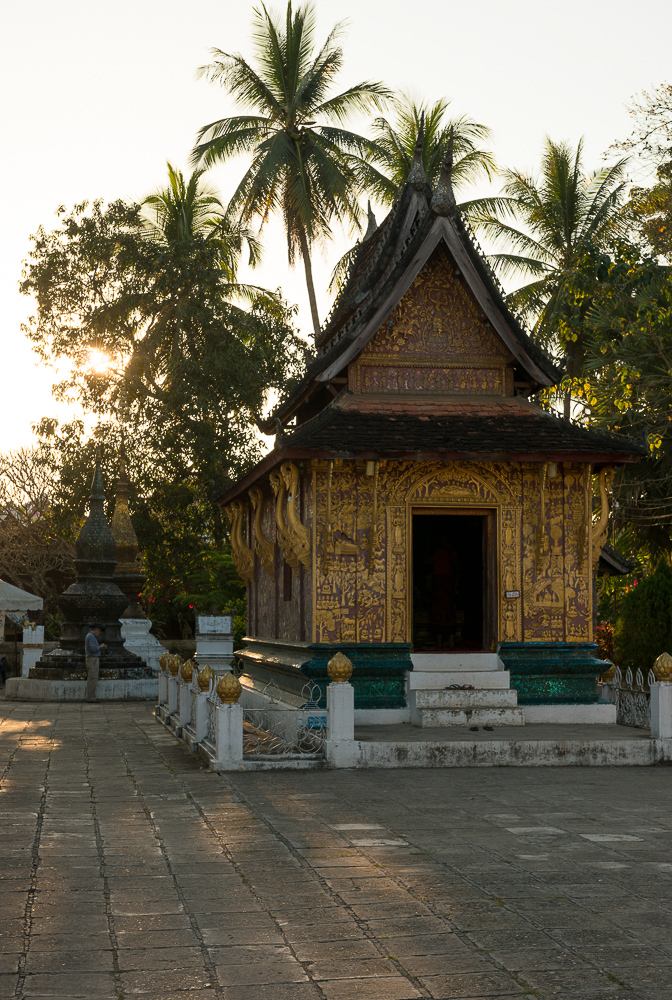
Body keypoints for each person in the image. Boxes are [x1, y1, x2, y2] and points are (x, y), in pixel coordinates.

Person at [84, 624, 107, 703]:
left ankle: (92, 697)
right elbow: (93, 648)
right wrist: (100, 647)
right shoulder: (91, 636)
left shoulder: (90, 636)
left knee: (93, 678)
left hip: (92, 659)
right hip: (92, 659)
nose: (99, 633)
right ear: (96, 629)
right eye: (99, 631)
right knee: (92, 678)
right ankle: (91, 698)